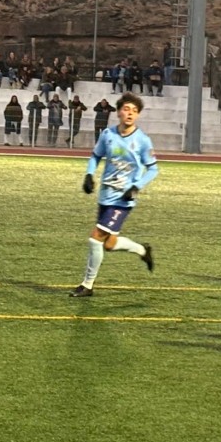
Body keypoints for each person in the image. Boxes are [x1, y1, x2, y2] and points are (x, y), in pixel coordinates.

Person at [70, 94, 158, 296]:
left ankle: (87, 285)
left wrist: (136, 187)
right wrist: (89, 175)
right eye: (127, 109)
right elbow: (96, 155)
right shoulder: (108, 135)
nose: (130, 113)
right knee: (108, 244)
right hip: (105, 195)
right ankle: (143, 251)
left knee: (95, 238)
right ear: (118, 111)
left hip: (123, 200)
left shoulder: (142, 140)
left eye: (134, 111)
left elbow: (153, 169)